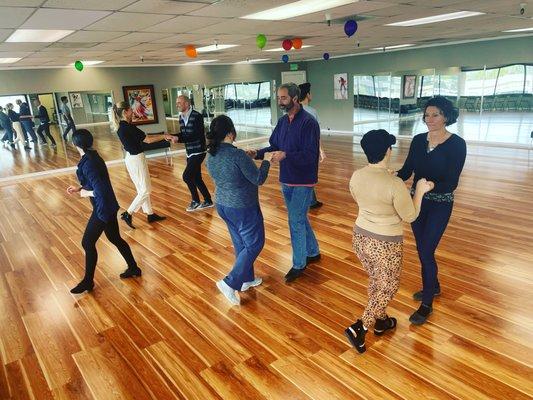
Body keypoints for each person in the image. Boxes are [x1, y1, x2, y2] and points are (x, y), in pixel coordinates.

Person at [345, 129, 434, 353]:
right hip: (385, 243)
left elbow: (360, 198)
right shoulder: (394, 184)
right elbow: (410, 215)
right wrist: (421, 191)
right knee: (389, 285)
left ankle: (382, 320)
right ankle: (361, 327)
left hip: (360, 237)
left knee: (377, 279)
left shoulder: (357, 175)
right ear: (388, 151)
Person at [397, 96, 467, 325]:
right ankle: (434, 286)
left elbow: (452, 182)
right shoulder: (418, 140)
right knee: (422, 248)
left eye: (435, 115)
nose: (429, 119)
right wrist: (387, 177)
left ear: (446, 116)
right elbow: (407, 170)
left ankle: (427, 302)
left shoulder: (457, 144)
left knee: (426, 250)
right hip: (416, 202)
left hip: (440, 203)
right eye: (427, 115)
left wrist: (430, 186)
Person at [247, 83, 321, 283]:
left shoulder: (309, 123)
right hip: (286, 178)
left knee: (295, 220)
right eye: (278, 98)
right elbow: (274, 146)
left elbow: (310, 155)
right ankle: (313, 251)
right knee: (299, 218)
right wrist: (257, 153)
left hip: (304, 180)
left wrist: (285, 155)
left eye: (283, 98)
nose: (279, 101)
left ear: (295, 98)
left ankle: (299, 264)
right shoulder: (282, 122)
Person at [206, 115, 272, 305]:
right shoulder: (237, 155)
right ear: (230, 133)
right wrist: (266, 160)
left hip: (222, 205)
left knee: (241, 244)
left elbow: (228, 171)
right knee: (255, 243)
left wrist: (247, 157)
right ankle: (230, 282)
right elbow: (258, 178)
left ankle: (246, 279)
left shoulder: (211, 154)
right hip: (243, 206)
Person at [66, 129, 142, 294]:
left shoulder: (90, 162)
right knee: (115, 238)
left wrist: (85, 192)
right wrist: (80, 187)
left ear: (75, 144)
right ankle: (134, 268)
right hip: (107, 205)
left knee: (87, 242)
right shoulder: (92, 156)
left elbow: (100, 189)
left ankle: (88, 281)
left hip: (103, 208)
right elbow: (96, 181)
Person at [112, 101, 167, 229]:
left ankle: (150, 214)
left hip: (130, 158)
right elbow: (147, 139)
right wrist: (164, 136)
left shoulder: (121, 126)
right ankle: (128, 213)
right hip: (136, 158)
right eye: (131, 110)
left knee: (141, 188)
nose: (133, 111)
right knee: (146, 189)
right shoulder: (127, 127)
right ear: (125, 112)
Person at [165, 95, 213, 212]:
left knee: (187, 176)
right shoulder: (181, 117)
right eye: (177, 103)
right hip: (189, 152)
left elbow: (195, 135)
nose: (177, 105)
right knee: (196, 177)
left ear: (187, 103)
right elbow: (184, 134)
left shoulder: (197, 116)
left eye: (179, 103)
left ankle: (195, 201)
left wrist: (178, 139)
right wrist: (174, 136)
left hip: (199, 151)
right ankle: (208, 200)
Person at [299, 82, 325, 209]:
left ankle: (310, 200)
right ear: (307, 95)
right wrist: (321, 150)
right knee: (308, 175)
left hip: (295, 149)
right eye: (310, 93)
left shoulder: (290, 110)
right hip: (309, 149)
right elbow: (316, 134)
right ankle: (310, 201)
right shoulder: (312, 111)